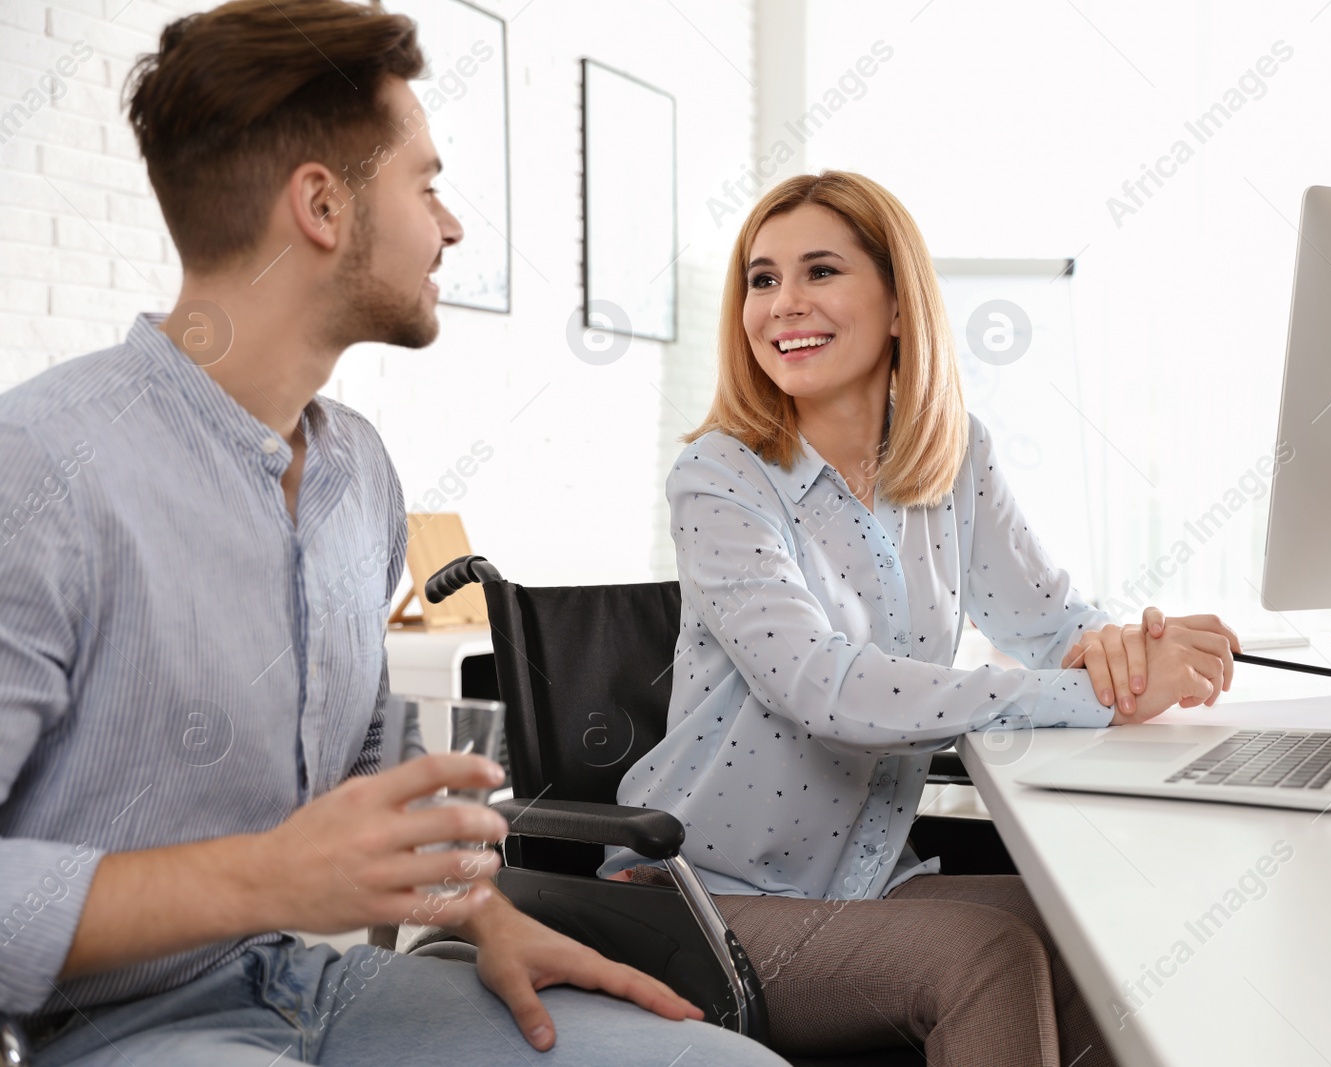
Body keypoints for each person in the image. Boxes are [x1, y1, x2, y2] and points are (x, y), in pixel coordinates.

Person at [0, 2, 785, 1064]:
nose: (450, 225)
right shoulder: (40, 466)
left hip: (309, 983)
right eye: (425, 183)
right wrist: (265, 874)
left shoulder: (355, 471)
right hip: (113, 1031)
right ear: (322, 204)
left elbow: (376, 772)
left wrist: (491, 919)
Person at [600, 171, 1240, 1067]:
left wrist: (1134, 652)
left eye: (820, 271)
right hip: (704, 903)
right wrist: (1091, 697)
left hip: (864, 886)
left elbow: (1052, 619)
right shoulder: (721, 477)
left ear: (900, 305)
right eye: (762, 278)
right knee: (985, 956)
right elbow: (826, 686)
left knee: (1114, 929)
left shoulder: (952, 456)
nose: (784, 304)